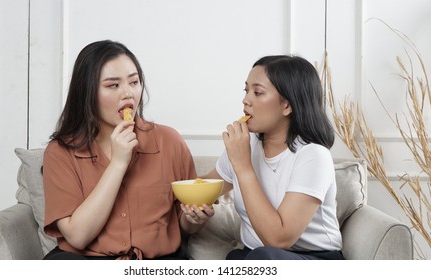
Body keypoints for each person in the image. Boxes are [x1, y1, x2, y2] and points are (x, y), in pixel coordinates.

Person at [42, 40, 213, 260]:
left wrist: (194, 219)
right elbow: (78, 236)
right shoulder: (59, 152)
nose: (128, 94)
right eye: (113, 85)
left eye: (134, 82)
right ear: (87, 92)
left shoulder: (169, 141)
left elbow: (183, 225)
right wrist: (118, 163)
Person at [204, 55, 344, 260]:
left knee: (262, 258)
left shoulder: (313, 156)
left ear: (287, 106)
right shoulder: (245, 144)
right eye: (246, 90)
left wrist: (243, 167)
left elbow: (279, 239)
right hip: (255, 256)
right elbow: (205, 187)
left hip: (310, 259)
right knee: (238, 258)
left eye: (258, 93)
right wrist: (191, 205)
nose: (246, 100)